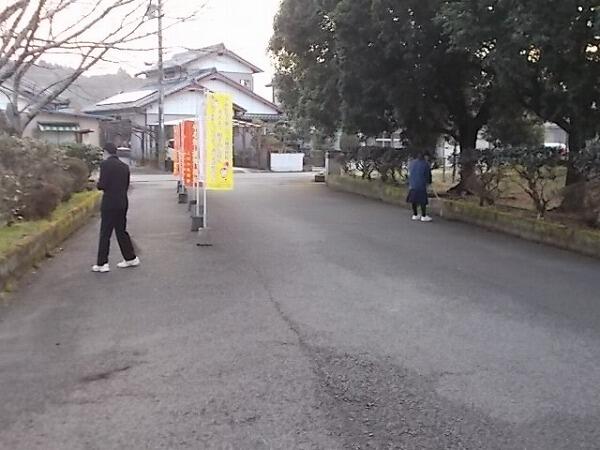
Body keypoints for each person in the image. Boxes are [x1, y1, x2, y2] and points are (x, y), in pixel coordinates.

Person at [92, 143, 140, 273]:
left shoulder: (105, 165)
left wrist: (97, 183)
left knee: (105, 233)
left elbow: (102, 185)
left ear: (106, 152)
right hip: (122, 202)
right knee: (121, 231)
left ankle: (102, 263)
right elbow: (126, 185)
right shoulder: (124, 166)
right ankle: (131, 258)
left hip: (109, 203)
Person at [407, 152, 433, 222]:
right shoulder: (425, 164)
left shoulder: (412, 163)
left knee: (414, 200)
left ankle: (415, 214)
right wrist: (429, 182)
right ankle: (423, 216)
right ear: (425, 156)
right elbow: (428, 175)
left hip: (412, 184)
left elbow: (410, 173)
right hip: (421, 184)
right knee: (422, 200)